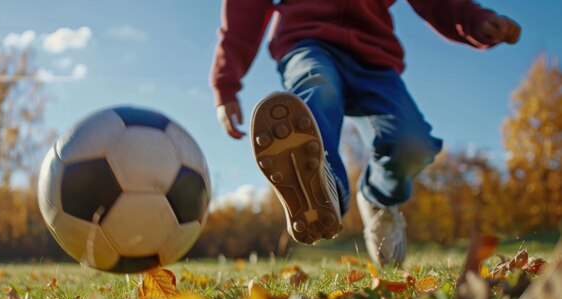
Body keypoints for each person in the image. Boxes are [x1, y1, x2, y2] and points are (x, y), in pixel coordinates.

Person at [210, 0, 520, 265]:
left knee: (412, 143)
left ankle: (378, 198)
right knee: (317, 88)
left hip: (374, 59)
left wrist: (477, 21)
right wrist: (226, 82)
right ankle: (324, 184)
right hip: (307, 42)